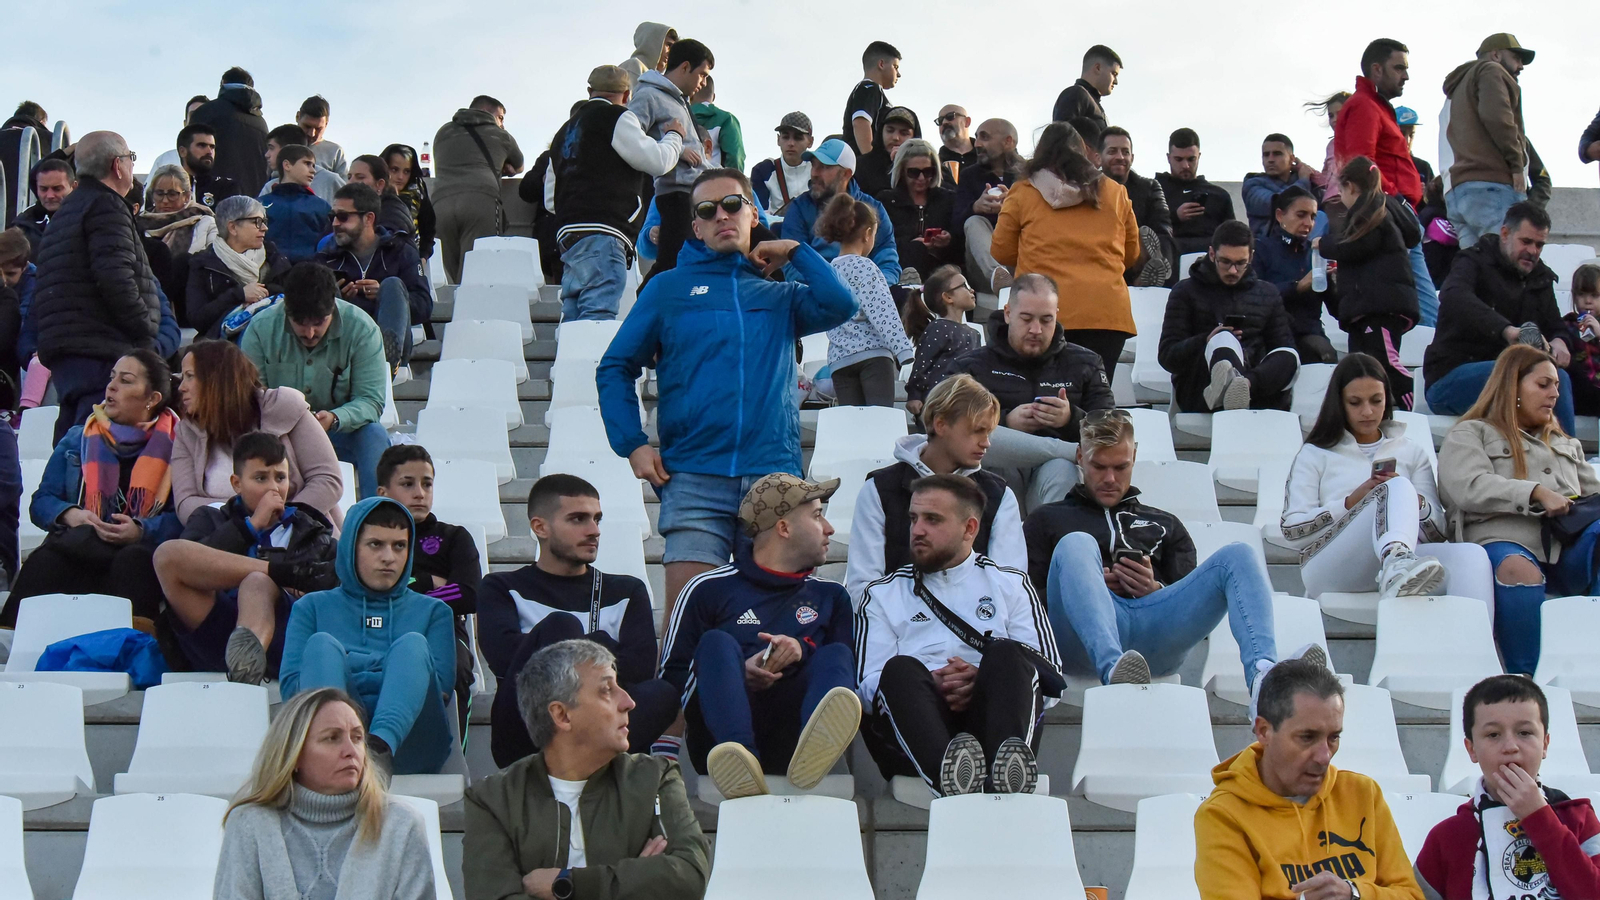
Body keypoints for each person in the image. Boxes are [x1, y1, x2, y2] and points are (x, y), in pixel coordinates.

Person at [598, 167, 855, 623]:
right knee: (687, 629)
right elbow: (616, 366)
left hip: (773, 480)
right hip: (694, 480)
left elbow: (841, 303)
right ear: (695, 226)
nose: (722, 215)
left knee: (771, 628)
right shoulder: (667, 289)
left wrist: (795, 250)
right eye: (707, 210)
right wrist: (631, 442)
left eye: (733, 204)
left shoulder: (780, 295)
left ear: (752, 214)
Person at [1025, 409, 1283, 692]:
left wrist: (1156, 588)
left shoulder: (1167, 524)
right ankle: (1113, 670)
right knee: (1076, 543)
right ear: (1079, 458)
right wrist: (1087, 587)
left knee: (1239, 555)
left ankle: (1264, 678)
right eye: (1099, 466)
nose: (1110, 478)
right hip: (1079, 641)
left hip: (1155, 632)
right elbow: (1025, 602)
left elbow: (1185, 595)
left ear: (1134, 457)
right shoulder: (1045, 520)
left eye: (1121, 467)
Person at [658, 473, 860, 799]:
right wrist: (737, 671)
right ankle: (739, 758)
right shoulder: (708, 588)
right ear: (784, 528)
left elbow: (847, 678)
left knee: (836, 654)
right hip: (717, 740)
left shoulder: (832, 597)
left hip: (793, 742)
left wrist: (800, 650)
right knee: (716, 643)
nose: (830, 529)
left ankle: (815, 749)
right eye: (817, 515)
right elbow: (672, 679)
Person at [856, 473, 1060, 796]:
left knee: (1008, 654)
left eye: (932, 520)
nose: (917, 530)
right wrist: (932, 682)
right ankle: (952, 781)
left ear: (970, 529)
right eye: (913, 518)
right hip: (916, 730)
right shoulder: (882, 594)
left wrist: (983, 679)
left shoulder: (1011, 586)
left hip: (993, 722)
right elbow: (866, 689)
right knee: (899, 671)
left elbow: (1050, 680)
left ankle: (1001, 775)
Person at [463, 639, 710, 900]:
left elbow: (689, 876)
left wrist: (566, 884)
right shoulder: (493, 799)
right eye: (607, 690)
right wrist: (633, 885)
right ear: (562, 715)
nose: (628, 702)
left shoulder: (655, 777)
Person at [478, 474, 676, 767]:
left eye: (597, 519)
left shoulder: (626, 591)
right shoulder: (501, 586)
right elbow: (505, 659)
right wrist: (601, 643)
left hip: (603, 729)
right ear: (540, 527)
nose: (594, 530)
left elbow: (640, 669)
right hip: (528, 735)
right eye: (578, 519)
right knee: (561, 625)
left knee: (663, 694)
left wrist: (562, 648)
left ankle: (580, 764)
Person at [1194, 658, 1424, 900]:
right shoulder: (1223, 815)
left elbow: (1411, 895)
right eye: (1307, 737)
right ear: (1263, 731)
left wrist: (1354, 893)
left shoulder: (1362, 793)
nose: (1325, 756)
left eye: (1333, 738)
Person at [1438, 344, 1600, 676]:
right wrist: (1536, 492)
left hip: (1565, 549)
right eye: (1544, 385)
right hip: (1502, 541)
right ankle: (1526, 678)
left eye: (1556, 386)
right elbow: (1468, 486)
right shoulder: (1471, 433)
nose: (1555, 394)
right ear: (1513, 386)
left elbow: (1593, 494)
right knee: (1519, 568)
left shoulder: (1565, 442)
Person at [1283, 353, 1492, 607]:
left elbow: (1438, 532)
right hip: (1329, 566)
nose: (1368, 411)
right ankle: (1395, 560)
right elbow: (1293, 533)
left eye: (1376, 400)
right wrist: (1351, 503)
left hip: (1404, 559)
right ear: (1339, 403)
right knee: (1396, 485)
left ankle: (1475, 643)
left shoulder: (1411, 452)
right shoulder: (1315, 453)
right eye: (1355, 402)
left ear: (1387, 399)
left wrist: (1412, 503)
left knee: (1473, 557)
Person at [0, 351, 178, 629]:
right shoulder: (78, 437)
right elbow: (41, 502)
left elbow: (182, 519)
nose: (112, 386)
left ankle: (136, 647)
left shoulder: (178, 445)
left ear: (152, 399)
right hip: (82, 544)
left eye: (126, 380)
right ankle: (9, 640)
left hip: (139, 551)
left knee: (133, 561)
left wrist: (141, 530)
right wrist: (71, 515)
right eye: (112, 378)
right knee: (51, 557)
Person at [280, 497, 455, 775]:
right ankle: (339, 740)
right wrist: (383, 667)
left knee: (412, 645)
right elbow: (292, 689)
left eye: (400, 546)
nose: (389, 557)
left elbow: (440, 689)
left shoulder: (435, 612)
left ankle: (378, 748)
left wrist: (349, 663)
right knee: (322, 646)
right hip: (331, 744)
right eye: (376, 545)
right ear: (351, 547)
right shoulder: (310, 608)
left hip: (411, 744)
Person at [215, 687, 437, 899]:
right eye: (332, 738)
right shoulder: (249, 824)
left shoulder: (401, 825)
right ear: (294, 754)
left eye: (358, 738)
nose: (351, 752)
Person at [155, 431, 339, 682]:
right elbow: (189, 567)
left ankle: (245, 663)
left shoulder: (311, 530)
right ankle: (243, 654)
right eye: (261, 478)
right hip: (216, 626)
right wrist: (250, 527)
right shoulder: (209, 518)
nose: (274, 487)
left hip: (283, 635)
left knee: (257, 582)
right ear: (237, 483)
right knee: (166, 554)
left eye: (281, 478)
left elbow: (331, 585)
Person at [937, 274, 1111, 514]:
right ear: (1008, 313)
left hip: (1056, 471)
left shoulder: (1086, 362)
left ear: (1057, 315)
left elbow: (1111, 431)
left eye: (1046, 320)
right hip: (997, 464)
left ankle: (1048, 543)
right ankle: (1070, 452)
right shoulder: (970, 366)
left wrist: (1070, 419)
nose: (1036, 330)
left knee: (1062, 468)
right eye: (1026, 319)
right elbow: (942, 424)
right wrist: (1005, 420)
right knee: (979, 436)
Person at [1414, 675, 1600, 899]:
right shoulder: (1447, 837)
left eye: (1525, 733)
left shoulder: (1578, 819)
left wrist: (1539, 816)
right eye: (1493, 734)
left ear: (1545, 744)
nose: (1510, 747)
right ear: (1471, 749)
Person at [31, 132, 164, 443]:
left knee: (72, 444)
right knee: (93, 451)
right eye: (131, 159)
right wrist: (144, 334)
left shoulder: (67, 211)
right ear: (118, 166)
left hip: (71, 350)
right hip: (102, 351)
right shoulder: (106, 207)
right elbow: (116, 278)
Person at [846, 374, 1025, 602]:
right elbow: (863, 587)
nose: (986, 442)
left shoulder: (999, 495)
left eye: (988, 433)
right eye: (977, 431)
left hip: (976, 629)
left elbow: (1010, 586)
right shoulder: (878, 489)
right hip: (897, 630)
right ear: (940, 425)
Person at [992, 122, 1140, 376]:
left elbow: (1001, 251)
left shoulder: (1023, 191)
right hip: (1107, 314)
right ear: (1082, 153)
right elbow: (1132, 254)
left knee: (1048, 403)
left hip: (1045, 314)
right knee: (1096, 403)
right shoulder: (1115, 192)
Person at [1422, 202, 1572, 434]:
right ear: (1505, 233)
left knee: (1555, 378)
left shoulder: (1539, 275)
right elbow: (1454, 297)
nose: (1533, 251)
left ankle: (1564, 456)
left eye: (1539, 245)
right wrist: (1507, 330)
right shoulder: (1472, 261)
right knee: (1524, 379)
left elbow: (1556, 326)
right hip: (1451, 377)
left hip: (1512, 377)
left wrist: (1561, 341)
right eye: (1526, 242)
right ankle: (1562, 458)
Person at [242, 263, 389, 500]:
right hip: (278, 436)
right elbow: (251, 398)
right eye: (300, 323)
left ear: (333, 307)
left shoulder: (363, 329)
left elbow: (371, 401)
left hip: (337, 432)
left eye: (319, 322)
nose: (310, 333)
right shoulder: (260, 329)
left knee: (373, 434)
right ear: (286, 310)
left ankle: (377, 514)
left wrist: (335, 418)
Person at [550, 64, 684, 322]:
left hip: (568, 235)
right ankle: (589, 364)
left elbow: (549, 196)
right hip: (604, 231)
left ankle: (570, 361)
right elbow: (656, 161)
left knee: (573, 317)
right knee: (597, 314)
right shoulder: (617, 117)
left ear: (590, 91)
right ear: (626, 96)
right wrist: (674, 136)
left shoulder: (562, 133)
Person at [172, 340, 343, 523]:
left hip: (299, 535)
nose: (181, 387)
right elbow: (185, 503)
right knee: (168, 551)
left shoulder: (285, 408)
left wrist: (280, 518)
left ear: (216, 380)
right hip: (226, 538)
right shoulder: (186, 432)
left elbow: (327, 481)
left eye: (189, 376)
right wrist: (250, 521)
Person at [374, 444, 481, 733]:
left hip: (441, 627)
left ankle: (453, 763)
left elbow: (469, 595)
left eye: (427, 483)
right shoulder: (366, 537)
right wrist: (428, 582)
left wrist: (406, 586)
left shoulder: (454, 537)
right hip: (378, 622)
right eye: (407, 484)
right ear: (383, 493)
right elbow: (366, 589)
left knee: (456, 669)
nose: (420, 493)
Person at [1335, 38, 1438, 327]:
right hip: (1391, 215)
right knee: (1425, 305)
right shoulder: (1365, 107)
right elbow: (1361, 167)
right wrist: (1395, 201)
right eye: (1399, 68)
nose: (1405, 75)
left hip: (1394, 213)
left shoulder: (1372, 106)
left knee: (1420, 300)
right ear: (1377, 70)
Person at [1159, 221, 1300, 413]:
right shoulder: (1185, 291)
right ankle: (1227, 387)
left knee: (1290, 355)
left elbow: (1281, 350)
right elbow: (1168, 356)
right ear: (1211, 254)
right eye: (1225, 262)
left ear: (1251, 257)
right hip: (1201, 386)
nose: (1233, 271)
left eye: (1240, 263)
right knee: (1223, 339)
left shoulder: (1268, 293)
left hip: (1256, 388)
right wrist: (1206, 340)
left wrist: (1251, 378)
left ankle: (1241, 387)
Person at [1319, 156, 1421, 407]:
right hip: (1367, 308)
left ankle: (1414, 404)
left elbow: (1355, 245)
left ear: (1351, 187)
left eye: (1341, 190)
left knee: (1385, 363)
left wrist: (1324, 244)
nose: (1341, 197)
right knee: (1362, 369)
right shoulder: (1382, 209)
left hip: (1380, 307)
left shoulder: (1371, 212)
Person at [315, 182, 432, 371]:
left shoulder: (401, 250)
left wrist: (385, 296)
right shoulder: (326, 258)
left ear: (369, 218)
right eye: (333, 217)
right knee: (323, 287)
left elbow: (424, 306)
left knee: (392, 285)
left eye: (343, 217)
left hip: (391, 344)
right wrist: (338, 297)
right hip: (344, 346)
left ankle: (385, 363)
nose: (335, 224)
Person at [629, 39, 714, 281]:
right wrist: (675, 149)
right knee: (669, 265)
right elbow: (631, 140)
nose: (704, 83)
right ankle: (640, 315)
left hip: (693, 193)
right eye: (702, 75)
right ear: (685, 67)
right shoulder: (648, 95)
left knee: (681, 265)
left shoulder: (680, 100)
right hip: (675, 194)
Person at [1441, 34, 1537, 247]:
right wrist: (1516, 165)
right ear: (1496, 54)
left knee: (1477, 268)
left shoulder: (1460, 87)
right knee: (1505, 263)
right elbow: (1498, 118)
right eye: (1516, 57)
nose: (1520, 66)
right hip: (1491, 188)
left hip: (1460, 191)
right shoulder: (1491, 70)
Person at [819, 194, 914, 407]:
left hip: (839, 361)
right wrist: (905, 353)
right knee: (880, 422)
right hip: (873, 359)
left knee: (854, 428)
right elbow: (883, 312)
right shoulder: (866, 267)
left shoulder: (828, 271)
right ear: (868, 233)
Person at [431, 95, 524, 283]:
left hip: (440, 205)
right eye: (501, 118)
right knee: (478, 271)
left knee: (448, 276)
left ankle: (450, 312)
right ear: (489, 113)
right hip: (481, 201)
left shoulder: (443, 132)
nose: (502, 124)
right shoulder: (499, 134)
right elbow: (519, 166)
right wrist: (503, 166)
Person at [780, 138, 900, 283]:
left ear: (846, 174)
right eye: (813, 165)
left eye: (824, 166)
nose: (814, 173)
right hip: (816, 294)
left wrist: (878, 288)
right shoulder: (799, 208)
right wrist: (831, 292)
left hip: (865, 290)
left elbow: (887, 259)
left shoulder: (873, 209)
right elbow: (792, 262)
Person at [186, 195, 290, 338]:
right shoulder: (203, 264)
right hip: (223, 345)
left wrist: (261, 299)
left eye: (264, 221)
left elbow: (291, 298)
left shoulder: (274, 258)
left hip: (273, 339)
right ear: (233, 227)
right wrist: (239, 295)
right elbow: (198, 318)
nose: (265, 228)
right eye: (257, 222)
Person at [1253, 187, 1338, 364]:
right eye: (1301, 215)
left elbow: (1337, 310)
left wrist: (1338, 282)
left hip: (1310, 334)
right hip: (1270, 334)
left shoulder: (1316, 253)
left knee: (1324, 354)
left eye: (1313, 217)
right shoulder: (1260, 249)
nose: (1308, 223)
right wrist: (1297, 286)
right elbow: (1254, 297)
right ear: (1279, 215)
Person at [951, 119, 1023, 293]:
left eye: (985, 137)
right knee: (974, 221)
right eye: (976, 138)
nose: (977, 144)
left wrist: (1013, 206)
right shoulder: (970, 175)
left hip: (1022, 261)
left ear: (1008, 141)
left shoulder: (1029, 174)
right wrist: (975, 207)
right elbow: (954, 228)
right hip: (984, 271)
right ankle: (998, 276)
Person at [1099, 126, 1174, 287]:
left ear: (1132, 158)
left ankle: (1151, 271)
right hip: (1104, 256)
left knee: (1144, 237)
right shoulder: (1088, 190)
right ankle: (1141, 282)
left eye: (1125, 152)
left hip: (1135, 256)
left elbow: (1163, 228)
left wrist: (1164, 259)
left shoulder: (1149, 187)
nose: (1120, 157)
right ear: (1099, 157)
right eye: (1112, 151)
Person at [877, 138, 961, 280]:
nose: (921, 178)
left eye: (928, 171)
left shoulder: (948, 199)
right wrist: (914, 244)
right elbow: (880, 243)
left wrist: (948, 240)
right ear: (902, 171)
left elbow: (960, 242)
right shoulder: (886, 201)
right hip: (901, 267)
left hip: (943, 269)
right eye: (914, 172)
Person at [138, 165, 217, 311]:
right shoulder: (139, 224)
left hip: (188, 303)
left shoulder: (205, 222)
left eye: (173, 194)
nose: (165, 200)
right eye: (159, 193)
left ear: (187, 195)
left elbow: (212, 262)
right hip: (145, 301)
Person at [902, 265, 979, 413]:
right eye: (964, 286)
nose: (972, 290)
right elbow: (922, 364)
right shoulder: (938, 328)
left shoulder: (975, 334)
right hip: (937, 403)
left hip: (963, 403)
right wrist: (914, 395)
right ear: (948, 297)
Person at [188, 68, 270, 198]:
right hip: (252, 202)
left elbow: (190, 156)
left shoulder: (207, 112)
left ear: (223, 82)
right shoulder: (261, 123)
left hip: (212, 197)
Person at [1158, 128, 1237, 256]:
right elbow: (1142, 228)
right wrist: (1175, 216)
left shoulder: (1219, 196)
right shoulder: (1154, 191)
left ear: (1199, 156)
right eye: (1179, 159)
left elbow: (1232, 235)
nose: (1185, 165)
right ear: (1169, 158)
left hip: (1210, 260)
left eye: (1191, 159)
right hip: (1168, 258)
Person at [262, 144, 332, 263]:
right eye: (307, 163)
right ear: (287, 165)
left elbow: (330, 244)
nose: (313, 170)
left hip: (311, 274)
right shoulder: (261, 204)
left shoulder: (321, 206)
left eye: (313, 166)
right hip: (269, 274)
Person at [1242, 134, 1318, 238]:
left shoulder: (1301, 181)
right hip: (1267, 247)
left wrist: (1311, 174)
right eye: (1266, 155)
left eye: (1277, 154)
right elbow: (1278, 203)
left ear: (1292, 159)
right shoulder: (1252, 184)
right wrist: (1304, 181)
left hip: (1303, 246)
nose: (1270, 159)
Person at [261, 124, 346, 203]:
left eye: (271, 148)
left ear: (288, 149)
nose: (267, 155)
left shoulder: (331, 181)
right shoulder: (270, 187)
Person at [844, 41, 902, 157]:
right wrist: (870, 161)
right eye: (895, 67)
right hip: (861, 167)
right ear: (881, 64)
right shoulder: (869, 88)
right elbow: (861, 122)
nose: (899, 74)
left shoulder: (874, 91)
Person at [10, 158, 74, 260]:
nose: (49, 195)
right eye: (43, 189)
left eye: (57, 189)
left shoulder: (88, 219)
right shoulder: (23, 225)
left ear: (73, 187)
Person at [751, 112, 813, 216]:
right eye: (785, 137)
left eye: (798, 138)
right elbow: (762, 218)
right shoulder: (763, 170)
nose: (791, 143)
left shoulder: (819, 169)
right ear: (778, 140)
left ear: (810, 142)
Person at [380, 143, 435, 258]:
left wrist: (423, 256)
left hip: (411, 259)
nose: (400, 177)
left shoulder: (417, 191)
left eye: (406, 171)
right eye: (394, 170)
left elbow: (428, 229)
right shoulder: (372, 193)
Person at [1559, 264, 1600, 416]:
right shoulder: (1567, 325)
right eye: (1582, 295)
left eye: (1594, 296)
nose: (1587, 301)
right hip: (1581, 390)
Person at [854, 106, 921, 199]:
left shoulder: (926, 168)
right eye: (890, 130)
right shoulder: (860, 166)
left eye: (904, 133)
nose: (895, 137)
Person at [1052, 45, 1121, 128]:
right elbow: (1061, 137)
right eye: (1114, 74)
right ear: (1098, 68)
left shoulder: (1091, 104)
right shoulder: (1075, 94)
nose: (1116, 82)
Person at [173, 123, 239, 210]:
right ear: (182, 151)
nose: (209, 151)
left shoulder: (226, 187)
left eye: (212, 147)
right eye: (202, 145)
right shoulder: (167, 187)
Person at [346, 154, 414, 237]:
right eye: (349, 177)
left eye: (360, 177)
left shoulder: (393, 213)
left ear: (380, 184)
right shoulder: (344, 209)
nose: (350, 182)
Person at [690, 75, 743, 171]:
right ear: (713, 97)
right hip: (712, 182)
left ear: (691, 95)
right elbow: (735, 157)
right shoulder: (726, 119)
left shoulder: (677, 116)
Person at [297, 95, 347, 178]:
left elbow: (344, 187)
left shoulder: (335, 152)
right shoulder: (278, 144)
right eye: (307, 126)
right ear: (298, 117)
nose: (312, 133)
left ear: (326, 124)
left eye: (318, 129)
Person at [618, 21, 677, 88]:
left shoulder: (657, 78)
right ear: (652, 42)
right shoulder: (634, 65)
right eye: (668, 45)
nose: (670, 52)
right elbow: (630, 98)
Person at [935, 105, 977, 177]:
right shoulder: (935, 164)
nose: (944, 122)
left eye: (950, 116)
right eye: (940, 120)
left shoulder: (987, 157)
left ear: (967, 122)